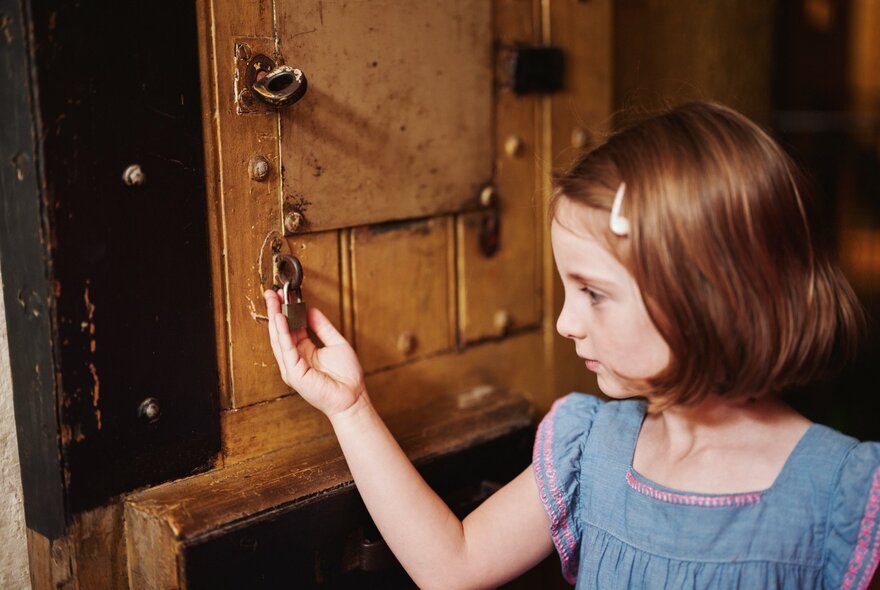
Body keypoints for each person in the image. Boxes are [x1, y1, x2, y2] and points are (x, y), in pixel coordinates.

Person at [263, 101, 880, 589]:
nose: (565, 323)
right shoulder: (593, 449)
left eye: (594, 294)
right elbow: (451, 565)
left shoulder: (842, 496)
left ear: (709, 296)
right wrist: (350, 408)